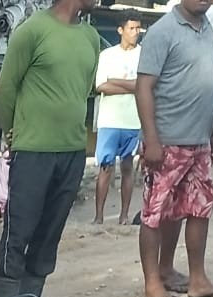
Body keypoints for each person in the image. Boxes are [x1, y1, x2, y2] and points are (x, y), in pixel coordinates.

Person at [0, 0, 99, 297]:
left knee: (50, 233)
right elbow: (6, 89)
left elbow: (85, 89)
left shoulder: (90, 37)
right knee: (19, 232)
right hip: (33, 150)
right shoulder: (32, 31)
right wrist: (13, 131)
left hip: (73, 151)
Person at [135, 0, 213, 297]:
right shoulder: (162, 32)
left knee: (198, 209)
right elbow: (144, 88)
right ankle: (152, 284)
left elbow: (206, 86)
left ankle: (197, 279)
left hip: (199, 141)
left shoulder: (207, 31)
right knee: (155, 212)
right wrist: (151, 139)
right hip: (166, 141)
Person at [93, 15, 142, 226]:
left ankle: (124, 216)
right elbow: (101, 87)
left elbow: (144, 85)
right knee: (105, 167)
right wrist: (131, 85)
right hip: (109, 120)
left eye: (138, 28)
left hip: (133, 120)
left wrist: (116, 81)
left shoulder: (144, 55)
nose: (136, 32)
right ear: (121, 30)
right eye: (132, 28)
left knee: (128, 167)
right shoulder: (107, 56)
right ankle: (99, 216)